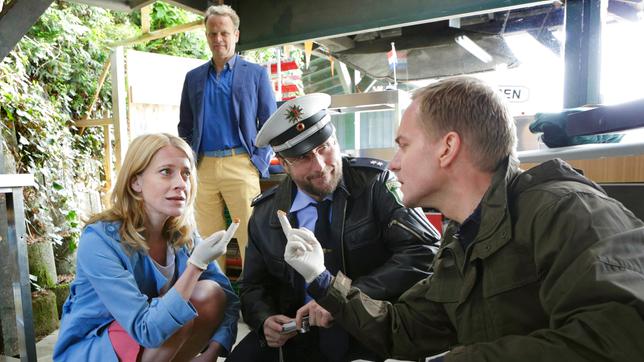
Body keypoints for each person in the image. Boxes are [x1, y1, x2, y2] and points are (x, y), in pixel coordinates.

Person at [284, 77, 644, 361]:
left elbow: (623, 340)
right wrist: (322, 280)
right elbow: (406, 328)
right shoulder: (462, 238)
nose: (393, 163)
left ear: (447, 148)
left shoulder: (568, 211)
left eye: (404, 145)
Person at [227, 93, 440, 362]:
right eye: (303, 158)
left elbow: (425, 251)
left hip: (370, 324)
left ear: (336, 140)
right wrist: (264, 320)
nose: (320, 166)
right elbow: (252, 286)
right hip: (298, 334)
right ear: (284, 163)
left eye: (324, 148)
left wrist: (343, 298)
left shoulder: (376, 184)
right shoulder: (266, 213)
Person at [53, 133, 240, 362]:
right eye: (166, 172)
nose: (181, 184)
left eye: (186, 173)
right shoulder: (99, 240)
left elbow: (228, 297)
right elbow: (147, 329)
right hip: (94, 350)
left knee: (210, 293)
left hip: (150, 349)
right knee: (175, 316)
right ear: (135, 182)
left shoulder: (182, 234)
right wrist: (196, 266)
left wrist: (211, 353)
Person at [178, 4, 276, 271]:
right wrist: (189, 164)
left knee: (250, 237)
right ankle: (217, 299)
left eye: (223, 33)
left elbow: (271, 123)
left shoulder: (256, 74)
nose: (217, 39)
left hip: (241, 162)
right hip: (204, 167)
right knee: (207, 241)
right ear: (206, 36)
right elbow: (184, 125)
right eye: (212, 33)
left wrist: (258, 161)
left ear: (236, 34)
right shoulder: (193, 78)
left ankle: (254, 303)